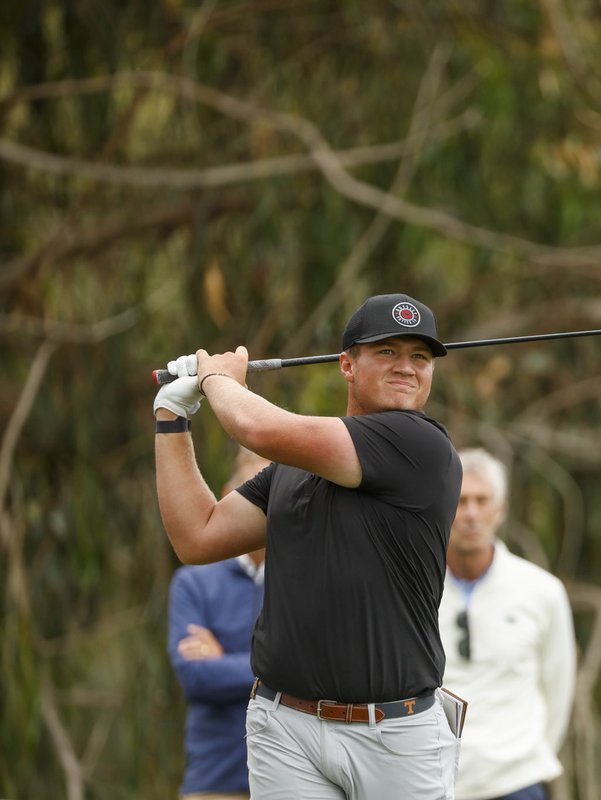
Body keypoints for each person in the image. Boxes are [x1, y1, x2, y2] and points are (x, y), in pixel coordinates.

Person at [152, 293, 464, 800]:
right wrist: (172, 415)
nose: (406, 367)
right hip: (285, 729)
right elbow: (198, 535)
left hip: (395, 735)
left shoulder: (421, 445)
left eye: (420, 357)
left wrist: (217, 378)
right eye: (387, 351)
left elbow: (256, 427)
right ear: (347, 364)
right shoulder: (293, 469)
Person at [439, 448, 576, 800]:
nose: (471, 513)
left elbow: (558, 687)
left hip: (516, 781)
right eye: (461, 501)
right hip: (437, 781)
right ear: (443, 508)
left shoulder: (542, 591)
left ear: (499, 510)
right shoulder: (416, 592)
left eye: (482, 500)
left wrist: (528, 757)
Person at [168, 446, 271, 800]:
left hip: (291, 781)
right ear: (228, 495)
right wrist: (276, 671)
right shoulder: (193, 582)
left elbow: (316, 670)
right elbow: (195, 677)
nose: (264, 504)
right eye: (253, 490)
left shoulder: (305, 581)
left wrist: (224, 661)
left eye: (273, 492)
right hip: (214, 781)